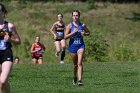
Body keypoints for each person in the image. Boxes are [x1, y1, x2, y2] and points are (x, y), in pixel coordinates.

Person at [65, 10, 90, 86]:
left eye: (77, 15)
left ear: (79, 16)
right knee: (75, 65)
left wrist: (84, 34)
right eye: (74, 15)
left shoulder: (82, 25)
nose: (75, 17)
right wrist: (73, 32)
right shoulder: (69, 26)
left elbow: (88, 32)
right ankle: (74, 77)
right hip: (72, 46)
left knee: (79, 63)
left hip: (80, 45)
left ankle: (80, 80)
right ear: (72, 17)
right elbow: (65, 37)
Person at [0, 3, 21, 93]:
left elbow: (18, 41)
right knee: (1, 84)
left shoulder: (10, 26)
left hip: (6, 53)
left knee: (3, 81)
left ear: (3, 12)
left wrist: (10, 40)